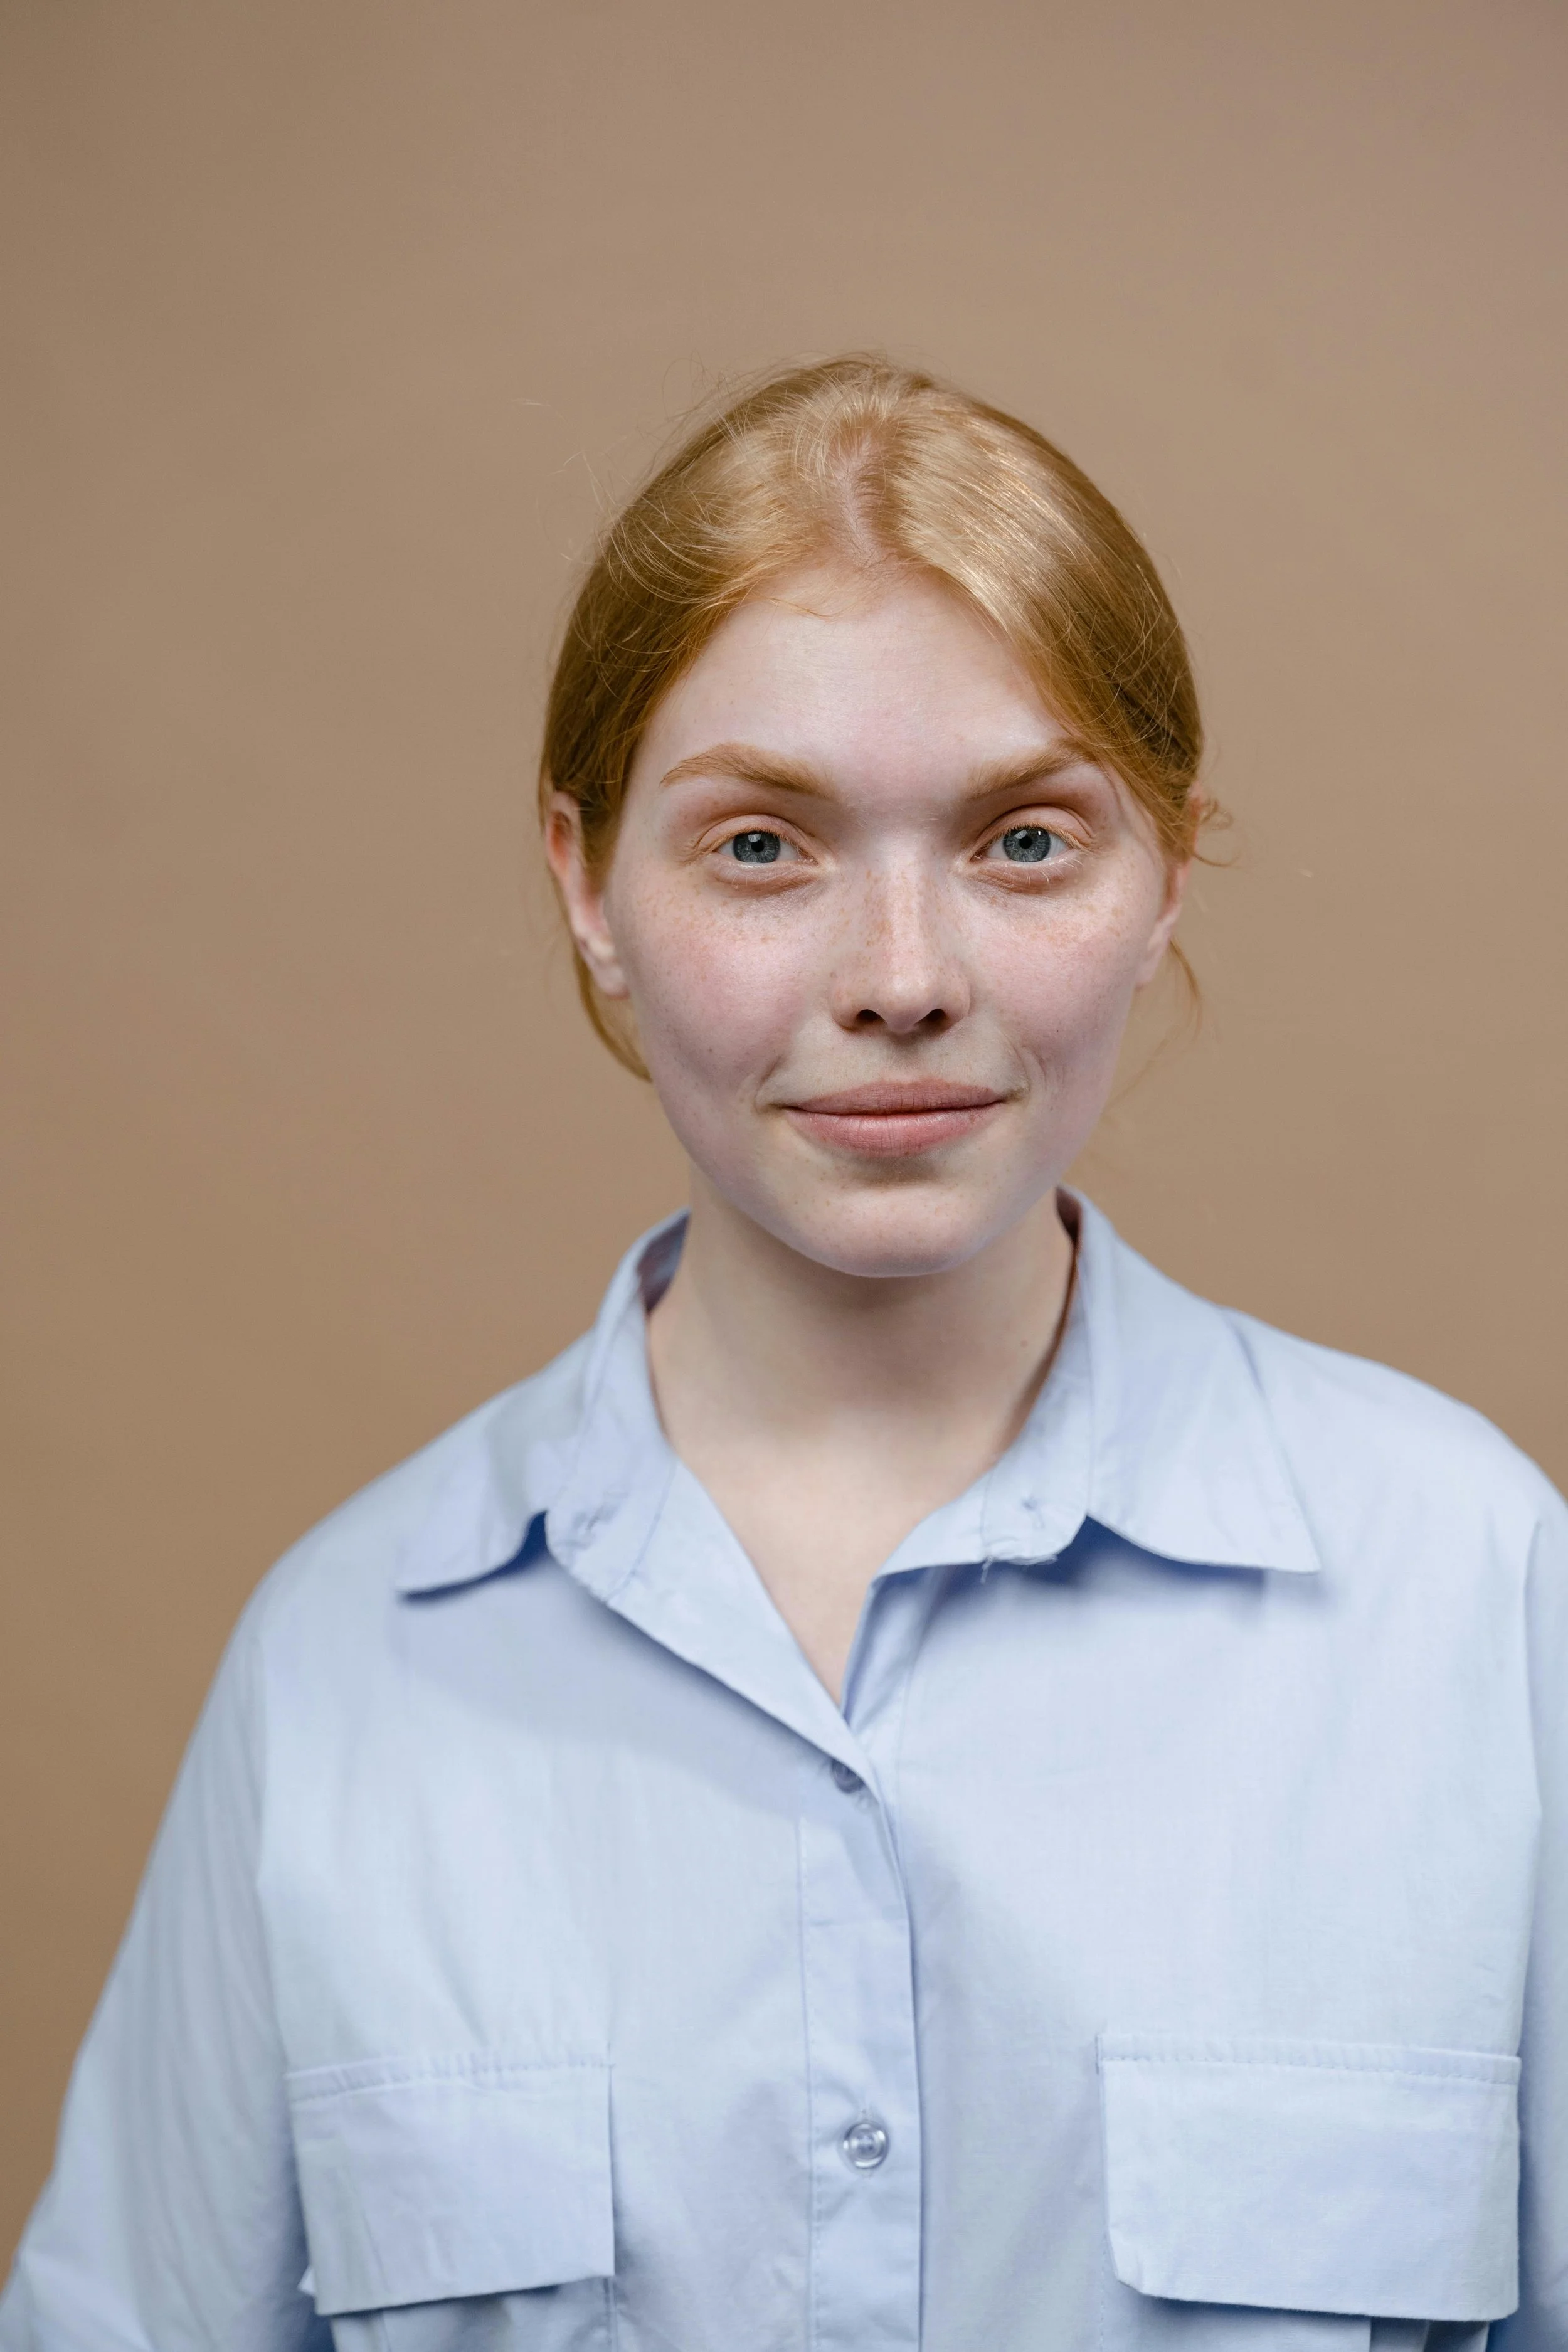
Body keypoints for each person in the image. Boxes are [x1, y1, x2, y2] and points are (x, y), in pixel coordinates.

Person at [3, 356, 1563, 2352]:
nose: (900, 980)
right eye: (762, 846)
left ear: (1166, 860)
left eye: (1022, 841)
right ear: (585, 880)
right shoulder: (338, 1670)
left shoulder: (1473, 1589)